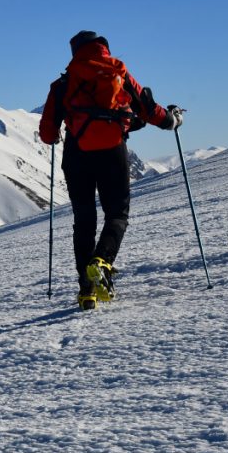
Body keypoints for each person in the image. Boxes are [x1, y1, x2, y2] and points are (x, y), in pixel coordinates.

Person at [38, 30, 182, 310]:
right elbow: (148, 108)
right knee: (116, 213)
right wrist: (172, 122)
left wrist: (56, 133)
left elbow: (46, 133)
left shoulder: (63, 83)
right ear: (102, 47)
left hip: (77, 153)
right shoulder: (119, 72)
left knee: (84, 220)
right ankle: (102, 260)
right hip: (113, 152)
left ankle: (87, 291)